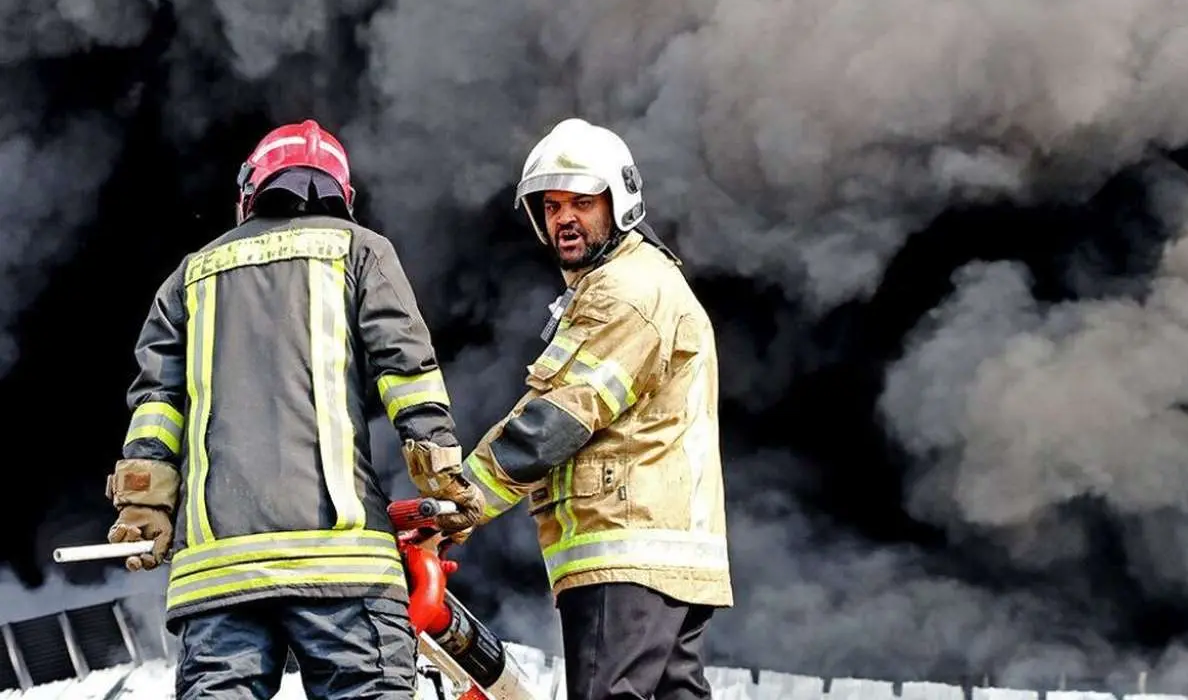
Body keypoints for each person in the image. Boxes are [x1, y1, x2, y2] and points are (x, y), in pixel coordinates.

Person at [102, 119, 485, 700]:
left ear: (250, 190)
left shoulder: (190, 276)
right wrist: (443, 479)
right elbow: (407, 371)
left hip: (218, 573)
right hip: (343, 565)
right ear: (341, 194)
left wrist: (144, 505)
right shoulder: (362, 251)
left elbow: (157, 404)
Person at [459, 118, 735, 700]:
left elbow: (557, 419)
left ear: (620, 202)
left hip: (626, 550)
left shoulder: (626, 292)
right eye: (551, 206)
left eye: (582, 202)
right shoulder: (643, 282)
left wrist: (458, 504)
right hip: (667, 558)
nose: (564, 219)